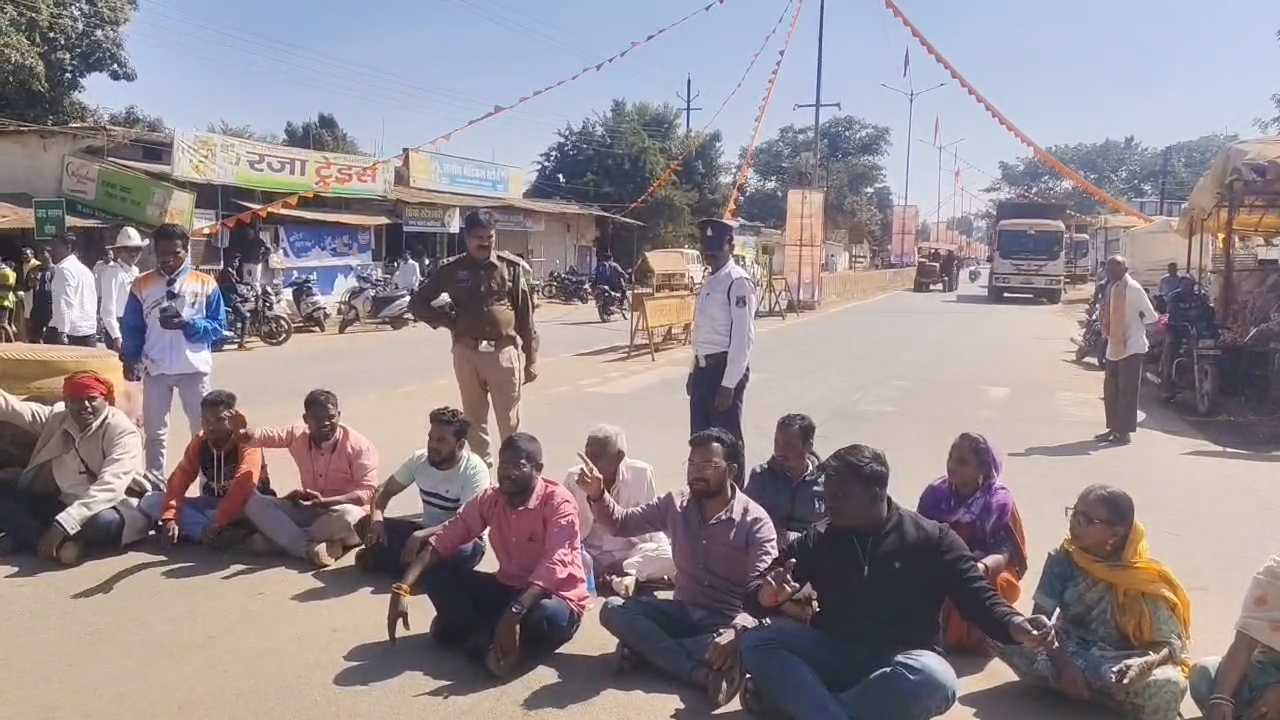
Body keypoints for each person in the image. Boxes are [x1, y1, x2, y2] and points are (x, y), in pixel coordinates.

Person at [737, 443, 1054, 720]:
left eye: (841, 495)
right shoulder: (820, 537)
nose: (829, 504)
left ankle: (808, 706)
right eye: (827, 494)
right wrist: (765, 596)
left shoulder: (933, 539)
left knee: (937, 681)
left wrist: (1018, 626)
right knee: (757, 642)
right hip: (834, 651)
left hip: (902, 660)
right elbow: (759, 587)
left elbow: (979, 599)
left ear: (877, 494)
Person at [579, 428, 777, 708]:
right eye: (692, 464)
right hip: (682, 609)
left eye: (707, 465)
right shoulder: (675, 504)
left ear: (731, 471)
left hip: (725, 620)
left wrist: (737, 631)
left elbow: (762, 594)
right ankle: (697, 673)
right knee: (613, 608)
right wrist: (598, 493)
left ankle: (645, 650)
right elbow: (622, 524)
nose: (696, 472)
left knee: (742, 645)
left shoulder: (755, 523)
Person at [385, 432, 588, 678]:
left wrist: (514, 612)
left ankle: (482, 636)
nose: (507, 473)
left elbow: (554, 565)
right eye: (503, 464)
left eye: (517, 466)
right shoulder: (491, 498)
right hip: (508, 587)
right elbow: (447, 537)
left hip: (554, 597)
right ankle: (488, 638)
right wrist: (402, 588)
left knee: (547, 618)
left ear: (537, 469)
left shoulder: (558, 504)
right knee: (437, 574)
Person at [992, 484, 1192, 720]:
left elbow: (1171, 643)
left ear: (1115, 534)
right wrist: (1064, 663)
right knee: (999, 629)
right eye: (1074, 513)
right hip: (1066, 648)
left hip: (1119, 660)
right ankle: (1107, 698)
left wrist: (1144, 664)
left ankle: (1080, 690)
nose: (1074, 522)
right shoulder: (1063, 558)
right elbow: (1039, 622)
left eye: (1086, 519)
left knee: (1170, 684)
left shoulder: (1141, 575)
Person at [408, 211, 538, 466]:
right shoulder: (451, 270)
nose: (485, 242)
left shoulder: (510, 268)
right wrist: (448, 321)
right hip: (467, 354)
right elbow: (418, 303)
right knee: (474, 419)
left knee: (509, 420)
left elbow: (526, 316)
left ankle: (512, 471)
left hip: (503, 353)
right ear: (467, 238)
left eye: (490, 237)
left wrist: (531, 358)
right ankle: (481, 477)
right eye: (479, 237)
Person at [0, 372, 150, 565]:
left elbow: (111, 485)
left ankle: (29, 538)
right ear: (67, 403)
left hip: (110, 506)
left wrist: (64, 524)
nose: (84, 406)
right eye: (76, 401)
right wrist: (63, 521)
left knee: (104, 522)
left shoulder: (122, 431)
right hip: (63, 503)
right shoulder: (57, 418)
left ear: (106, 400)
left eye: (91, 399)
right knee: (5, 496)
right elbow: (12, 408)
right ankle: (56, 546)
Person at [121, 223, 226, 479]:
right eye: (162, 253)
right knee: (155, 433)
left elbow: (219, 326)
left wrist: (189, 326)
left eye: (175, 253)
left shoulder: (205, 284)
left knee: (202, 431)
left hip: (194, 368)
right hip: (156, 369)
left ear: (186, 252)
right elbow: (132, 327)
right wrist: (130, 357)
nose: (168, 259)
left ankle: (208, 483)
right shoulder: (142, 284)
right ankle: (154, 484)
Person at [916, 432, 1028, 654]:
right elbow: (920, 535)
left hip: (989, 567)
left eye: (962, 461)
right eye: (951, 457)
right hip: (945, 560)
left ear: (983, 469)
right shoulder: (935, 494)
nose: (952, 465)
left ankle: (981, 638)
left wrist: (979, 568)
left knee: (981, 588)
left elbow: (1004, 552)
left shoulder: (998, 502)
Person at [239, 389, 377, 568]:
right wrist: (242, 432)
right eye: (317, 419)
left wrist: (326, 502)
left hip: (346, 519)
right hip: (310, 511)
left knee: (349, 516)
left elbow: (368, 492)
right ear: (306, 419)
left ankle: (279, 540)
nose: (325, 423)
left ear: (339, 415)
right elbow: (267, 436)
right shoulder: (297, 435)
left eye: (331, 417)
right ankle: (309, 549)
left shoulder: (359, 447)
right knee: (255, 503)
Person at [357, 406, 488, 578]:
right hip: (424, 531)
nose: (433, 445)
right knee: (364, 524)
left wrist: (420, 536)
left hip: (463, 539)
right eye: (431, 438)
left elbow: (465, 523)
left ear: (460, 445)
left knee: (462, 551)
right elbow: (384, 491)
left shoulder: (475, 471)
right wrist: (376, 521)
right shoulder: (419, 460)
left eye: (441, 441)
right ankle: (423, 570)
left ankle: (402, 565)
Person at [140, 389, 266, 548]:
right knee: (150, 501)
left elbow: (243, 485)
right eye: (206, 421)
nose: (211, 427)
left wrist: (220, 519)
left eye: (219, 420)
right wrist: (170, 517)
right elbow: (180, 480)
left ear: (234, 418)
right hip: (212, 505)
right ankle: (214, 533)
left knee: (251, 509)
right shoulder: (200, 442)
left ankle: (205, 531)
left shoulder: (247, 441)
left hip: (246, 507)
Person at [563, 424, 675, 598]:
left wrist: (664, 551)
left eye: (597, 457)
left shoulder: (641, 473)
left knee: (676, 556)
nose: (589, 463)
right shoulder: (574, 477)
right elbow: (566, 527)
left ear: (619, 457)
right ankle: (624, 578)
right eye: (587, 456)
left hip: (631, 552)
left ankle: (619, 575)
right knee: (559, 557)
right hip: (591, 555)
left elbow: (653, 522)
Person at [689, 218, 757, 447]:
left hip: (724, 370)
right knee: (700, 440)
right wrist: (694, 370)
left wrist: (728, 384)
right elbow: (703, 333)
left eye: (716, 251)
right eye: (707, 251)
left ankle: (735, 484)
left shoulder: (737, 282)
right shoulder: (711, 280)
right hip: (703, 369)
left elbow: (742, 338)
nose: (710, 256)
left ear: (731, 245)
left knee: (727, 443)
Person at [1190, 553, 1280, 720]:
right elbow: (1244, 642)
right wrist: (1222, 699)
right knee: (1203, 675)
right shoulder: (1274, 572)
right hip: (1265, 667)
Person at [1097, 255, 1157, 445]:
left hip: (1132, 347)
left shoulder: (1133, 288)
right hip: (1113, 346)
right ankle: (1114, 428)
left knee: (1127, 392)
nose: (1110, 271)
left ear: (1125, 270)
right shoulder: (1112, 287)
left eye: (1114, 268)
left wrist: (1139, 319)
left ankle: (1125, 433)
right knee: (1111, 390)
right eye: (1108, 268)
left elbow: (1151, 317)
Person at [744, 413, 824, 547]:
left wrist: (801, 538)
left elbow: (831, 524)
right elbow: (745, 516)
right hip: (768, 550)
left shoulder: (825, 482)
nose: (780, 450)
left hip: (811, 552)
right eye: (777, 442)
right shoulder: (761, 477)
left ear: (808, 446)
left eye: (789, 444)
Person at [98, 227, 147, 353]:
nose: (134, 254)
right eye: (129, 250)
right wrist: (117, 336)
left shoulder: (134, 271)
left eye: (137, 250)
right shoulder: (113, 273)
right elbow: (107, 310)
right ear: (119, 251)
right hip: (120, 327)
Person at [48, 232, 98, 346]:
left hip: (68, 333)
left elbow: (65, 302)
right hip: (88, 331)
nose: (52, 251)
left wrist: (63, 331)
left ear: (68, 248)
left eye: (55, 246)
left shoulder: (64, 270)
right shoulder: (85, 270)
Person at [216, 256, 250, 350]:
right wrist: (244, 294)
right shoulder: (227, 272)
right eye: (234, 262)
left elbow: (238, 282)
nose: (236, 264)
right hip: (230, 299)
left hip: (231, 298)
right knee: (246, 316)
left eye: (237, 262)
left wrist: (247, 284)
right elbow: (234, 287)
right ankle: (242, 343)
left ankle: (238, 330)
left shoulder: (231, 272)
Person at [26, 247, 54, 343]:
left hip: (51, 304)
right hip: (38, 304)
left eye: (43, 253)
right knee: (34, 333)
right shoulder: (35, 270)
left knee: (50, 332)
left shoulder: (56, 269)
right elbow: (29, 284)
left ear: (50, 254)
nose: (41, 256)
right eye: (39, 253)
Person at [0, 259, 16, 343]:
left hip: (3, 301)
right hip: (3, 300)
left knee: (3, 324)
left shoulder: (6, 272)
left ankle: (12, 342)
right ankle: (2, 343)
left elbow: (9, 287)